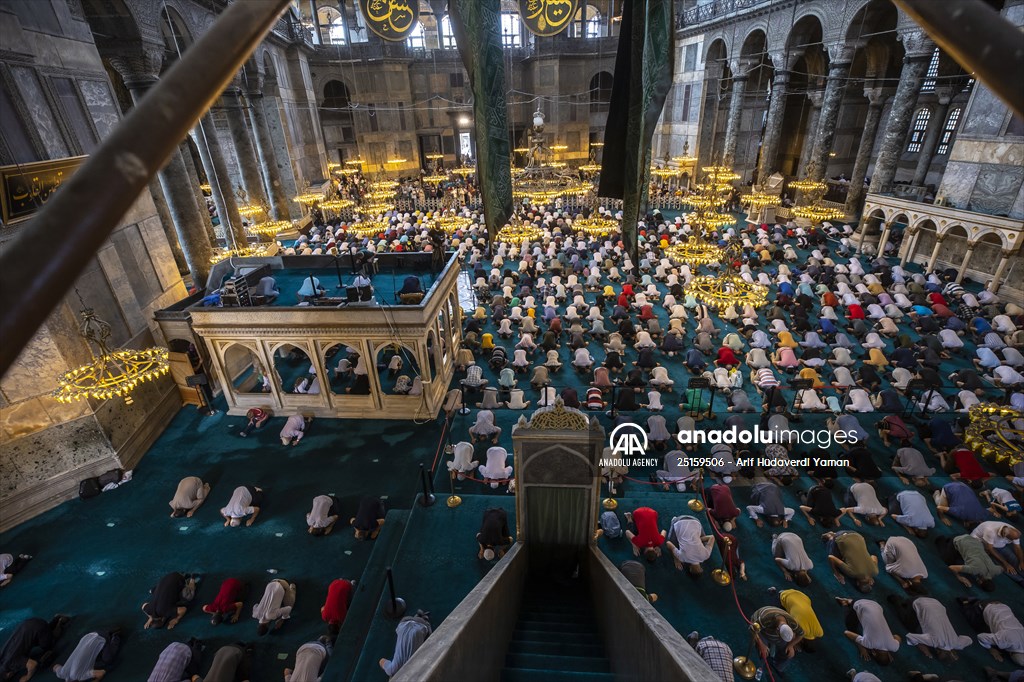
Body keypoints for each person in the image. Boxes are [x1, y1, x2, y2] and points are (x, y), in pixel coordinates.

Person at [892, 596, 972, 661]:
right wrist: (922, 645)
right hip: (918, 601)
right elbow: (910, 636)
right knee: (908, 624)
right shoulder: (934, 642)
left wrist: (957, 647)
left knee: (922, 625)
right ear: (938, 651)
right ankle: (896, 600)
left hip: (937, 602)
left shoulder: (958, 644)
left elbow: (969, 640)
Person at [957, 598, 1024, 665]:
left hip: (1002, 606)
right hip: (986, 606)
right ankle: (966, 602)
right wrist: (991, 649)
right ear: (1011, 653)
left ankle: (975, 601)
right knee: (977, 627)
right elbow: (981, 637)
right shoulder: (1006, 640)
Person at [0, 616, 69, 681]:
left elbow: (33, 665)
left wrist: (27, 677)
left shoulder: (11, 663)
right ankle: (51, 624)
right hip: (28, 623)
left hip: (38, 628)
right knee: (40, 635)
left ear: (8, 674)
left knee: (50, 645)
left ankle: (59, 621)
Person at [836, 597, 900, 665]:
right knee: (850, 627)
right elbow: (847, 633)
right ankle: (845, 603)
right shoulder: (869, 644)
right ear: (874, 653)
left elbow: (897, 636)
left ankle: (850, 602)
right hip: (860, 604)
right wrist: (861, 646)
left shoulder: (894, 647)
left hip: (877, 606)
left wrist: (890, 644)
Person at [935, 534, 1003, 590]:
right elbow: (952, 567)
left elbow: (1001, 568)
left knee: (965, 559)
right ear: (980, 582)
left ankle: (952, 543)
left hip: (974, 540)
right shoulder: (974, 570)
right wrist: (959, 577)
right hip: (960, 540)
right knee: (948, 561)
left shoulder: (996, 570)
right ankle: (941, 539)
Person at [51, 630, 121, 682]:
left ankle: (115, 636)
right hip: (87, 636)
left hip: (101, 637)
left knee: (108, 660)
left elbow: (101, 672)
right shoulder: (62, 674)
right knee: (90, 661)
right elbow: (55, 667)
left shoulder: (80, 676)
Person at [751, 603, 804, 671]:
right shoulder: (767, 618)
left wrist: (791, 645)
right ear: (777, 630)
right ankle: (758, 668)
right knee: (763, 653)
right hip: (762, 631)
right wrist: (761, 645)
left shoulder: (792, 623)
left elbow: (801, 634)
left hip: (774, 634)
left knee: (789, 653)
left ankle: (777, 668)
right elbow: (752, 629)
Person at [379, 611, 432, 677]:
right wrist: (388, 670)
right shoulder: (392, 670)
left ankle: (423, 617)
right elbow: (381, 661)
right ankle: (418, 617)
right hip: (404, 621)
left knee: (427, 642)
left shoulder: (415, 671)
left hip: (422, 625)